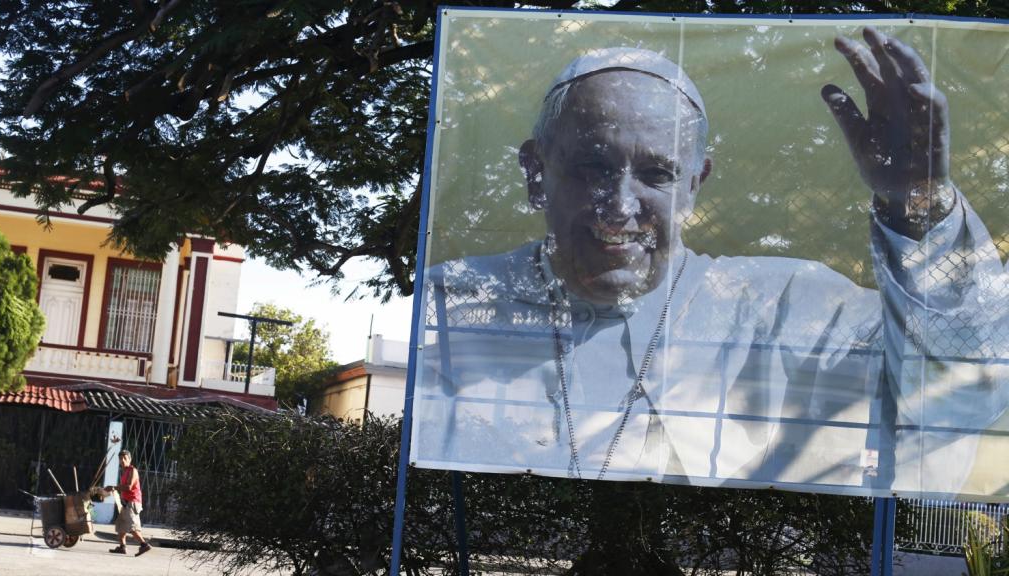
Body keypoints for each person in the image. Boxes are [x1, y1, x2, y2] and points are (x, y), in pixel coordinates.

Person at [412, 27, 1009, 498]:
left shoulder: (790, 305)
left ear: (695, 185)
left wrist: (919, 209)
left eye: (657, 175)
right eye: (593, 167)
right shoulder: (456, 303)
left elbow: (960, 397)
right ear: (536, 172)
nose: (619, 210)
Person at [107, 449, 151, 556]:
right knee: (121, 525)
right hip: (126, 503)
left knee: (132, 527)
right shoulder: (124, 472)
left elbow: (128, 487)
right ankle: (122, 547)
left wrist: (114, 487)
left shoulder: (132, 470)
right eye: (120, 459)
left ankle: (144, 545)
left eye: (125, 458)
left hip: (132, 502)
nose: (122, 460)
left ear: (130, 459)